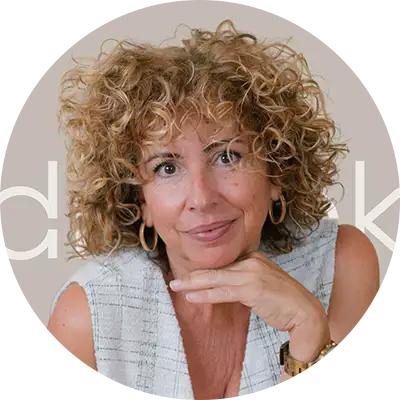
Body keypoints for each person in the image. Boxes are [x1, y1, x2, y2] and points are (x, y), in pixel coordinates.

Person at [46, 19, 383, 398]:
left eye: (227, 157)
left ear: (276, 171)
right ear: (141, 201)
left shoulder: (340, 265)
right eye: (167, 168)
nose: (202, 198)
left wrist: (308, 330)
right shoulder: (91, 319)